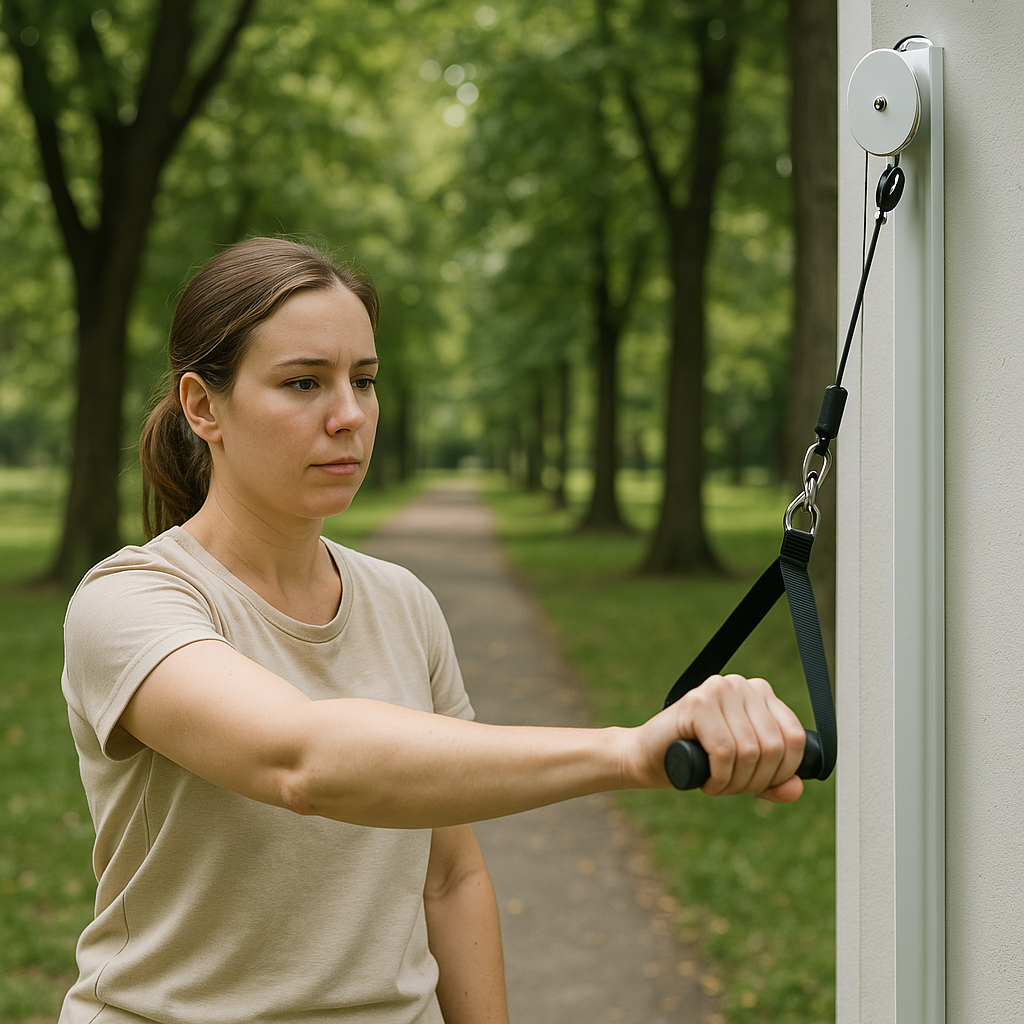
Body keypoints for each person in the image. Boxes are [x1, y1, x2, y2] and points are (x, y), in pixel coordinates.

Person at [59, 237, 806, 1024]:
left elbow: (450, 877)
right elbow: (301, 761)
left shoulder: (403, 603)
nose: (349, 416)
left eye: (363, 380)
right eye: (303, 382)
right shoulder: (131, 602)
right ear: (203, 406)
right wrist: (627, 752)